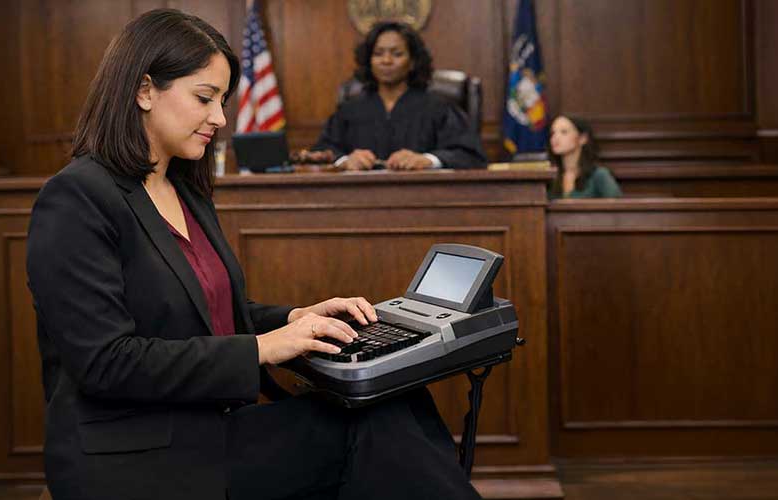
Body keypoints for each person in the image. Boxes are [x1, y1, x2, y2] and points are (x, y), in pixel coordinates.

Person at [25, 9, 481, 500]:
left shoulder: (184, 187)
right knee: (370, 429)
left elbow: (207, 313)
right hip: (134, 453)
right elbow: (106, 363)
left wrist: (295, 319)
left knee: (396, 395)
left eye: (222, 100)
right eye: (205, 98)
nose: (221, 118)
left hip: (206, 425)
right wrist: (266, 347)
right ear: (144, 90)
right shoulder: (76, 198)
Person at [300, 21, 487, 170]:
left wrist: (428, 160)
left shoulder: (438, 108)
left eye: (397, 54)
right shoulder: (350, 110)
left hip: (423, 202)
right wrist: (346, 161)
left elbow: (471, 156)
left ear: (412, 61)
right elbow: (322, 153)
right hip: (359, 203)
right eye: (378, 53)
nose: (386, 60)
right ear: (369, 61)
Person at [547, 115, 622, 198]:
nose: (555, 138)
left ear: (582, 139)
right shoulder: (549, 176)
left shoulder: (599, 175)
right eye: (553, 133)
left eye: (564, 132)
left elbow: (617, 205)